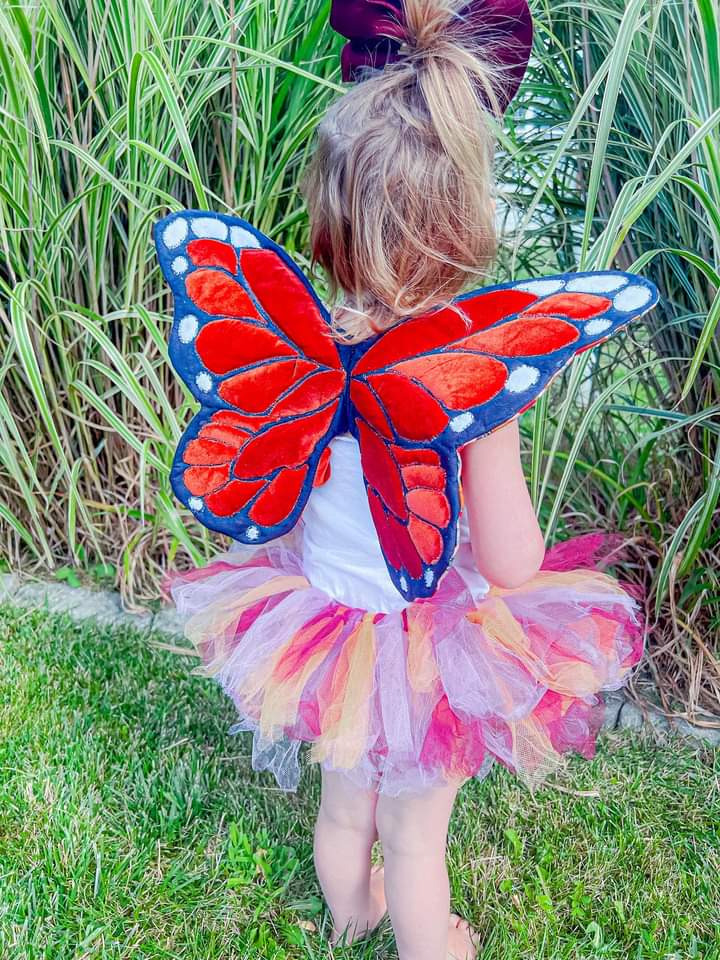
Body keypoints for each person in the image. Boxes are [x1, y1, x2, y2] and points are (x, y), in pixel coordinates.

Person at [162, 1, 649, 956]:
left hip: (329, 627)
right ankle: (436, 945)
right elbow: (511, 562)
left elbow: (274, 512)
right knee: (416, 836)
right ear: (467, 231)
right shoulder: (476, 391)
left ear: (328, 221)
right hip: (432, 648)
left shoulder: (302, 353)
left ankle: (352, 916)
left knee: (349, 809)